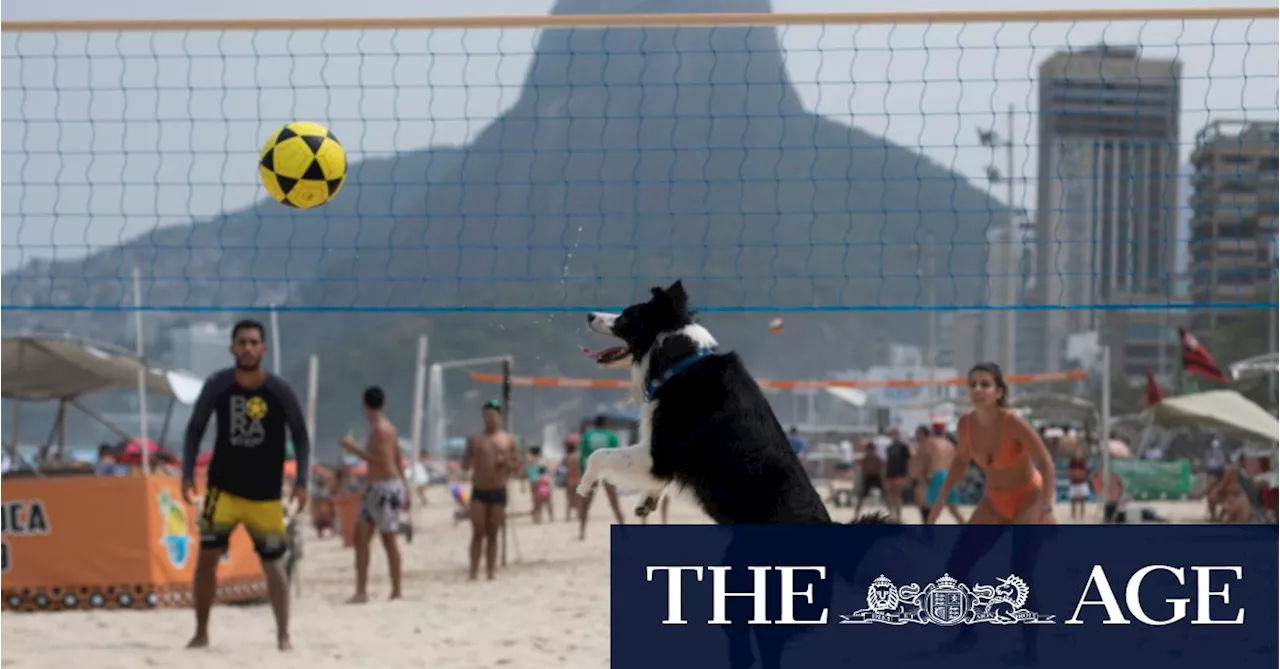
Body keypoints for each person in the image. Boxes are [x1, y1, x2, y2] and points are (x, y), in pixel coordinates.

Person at [180, 319, 310, 651]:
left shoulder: (279, 390)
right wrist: (186, 474)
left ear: (263, 349)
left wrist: (302, 482)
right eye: (242, 342)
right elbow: (195, 428)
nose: (248, 348)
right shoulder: (218, 384)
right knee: (206, 560)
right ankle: (201, 632)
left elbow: (300, 434)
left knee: (274, 564)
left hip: (265, 495)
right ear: (232, 348)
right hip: (221, 490)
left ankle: (284, 635)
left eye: (254, 342)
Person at [928, 362, 1056, 525]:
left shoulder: (1012, 422)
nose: (977, 389)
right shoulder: (965, 425)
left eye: (985, 384)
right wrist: (941, 499)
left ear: (999, 392)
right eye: (972, 385)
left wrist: (1045, 504)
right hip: (994, 501)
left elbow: (1044, 460)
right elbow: (961, 460)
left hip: (1029, 498)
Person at [339, 386, 409, 603]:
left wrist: (353, 450)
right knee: (361, 538)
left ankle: (396, 590)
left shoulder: (380, 430)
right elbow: (397, 459)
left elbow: (384, 461)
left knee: (388, 540)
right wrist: (405, 487)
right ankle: (361, 591)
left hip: (384, 488)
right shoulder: (387, 429)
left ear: (365, 406)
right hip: (380, 487)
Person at [462, 399, 519, 580]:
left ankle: (490, 571)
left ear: (499, 417)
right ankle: (473, 570)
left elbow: (517, 467)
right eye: (487, 415)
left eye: (493, 415)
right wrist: (472, 459)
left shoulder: (508, 439)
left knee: (493, 533)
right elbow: (465, 465)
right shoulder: (475, 439)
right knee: (478, 532)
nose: (490, 418)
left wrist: (506, 462)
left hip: (498, 489)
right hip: (479, 489)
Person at [577, 415, 626, 540]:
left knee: (586, 504)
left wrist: (583, 474)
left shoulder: (587, 436)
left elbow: (582, 456)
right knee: (614, 502)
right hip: (607, 471)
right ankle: (623, 530)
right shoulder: (611, 436)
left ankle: (582, 532)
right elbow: (617, 456)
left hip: (593, 471)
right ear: (605, 423)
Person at [883, 428, 911, 521]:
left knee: (897, 495)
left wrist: (908, 475)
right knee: (889, 496)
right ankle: (892, 514)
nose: (894, 436)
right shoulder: (889, 448)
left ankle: (898, 516)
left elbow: (908, 461)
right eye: (893, 434)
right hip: (890, 474)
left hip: (900, 474)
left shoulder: (903, 447)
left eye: (896, 434)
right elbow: (887, 462)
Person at [853, 442, 884, 517]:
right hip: (868, 478)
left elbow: (882, 470)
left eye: (871, 450)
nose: (870, 452)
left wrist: (883, 480)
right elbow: (859, 466)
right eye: (868, 450)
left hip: (877, 477)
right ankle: (856, 514)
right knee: (861, 497)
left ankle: (893, 513)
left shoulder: (877, 459)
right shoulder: (864, 459)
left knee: (887, 495)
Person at [561, 433, 582, 522]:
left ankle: (568, 516)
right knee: (578, 499)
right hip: (578, 479)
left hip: (569, 480)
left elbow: (563, 468)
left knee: (569, 499)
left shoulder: (566, 457)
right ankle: (578, 515)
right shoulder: (578, 457)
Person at [1067, 444, 1090, 521]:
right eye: (1076, 452)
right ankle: (1073, 517)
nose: (1078, 454)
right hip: (1074, 483)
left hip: (1081, 483)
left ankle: (1082, 517)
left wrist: (1077, 474)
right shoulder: (1072, 463)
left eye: (1079, 453)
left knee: (1082, 501)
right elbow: (1070, 473)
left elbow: (1083, 473)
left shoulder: (1083, 463)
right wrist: (1076, 473)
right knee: (1073, 501)